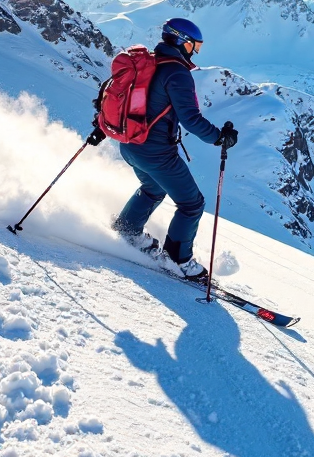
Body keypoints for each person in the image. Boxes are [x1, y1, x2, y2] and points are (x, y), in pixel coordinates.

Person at [91, 18, 238, 281]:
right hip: (155, 153)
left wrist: (101, 127)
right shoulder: (177, 73)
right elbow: (191, 118)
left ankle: (127, 230)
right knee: (192, 204)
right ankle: (179, 260)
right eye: (196, 46)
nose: (196, 52)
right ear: (184, 42)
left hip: (130, 146)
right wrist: (219, 138)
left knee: (153, 189)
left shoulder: (147, 63)